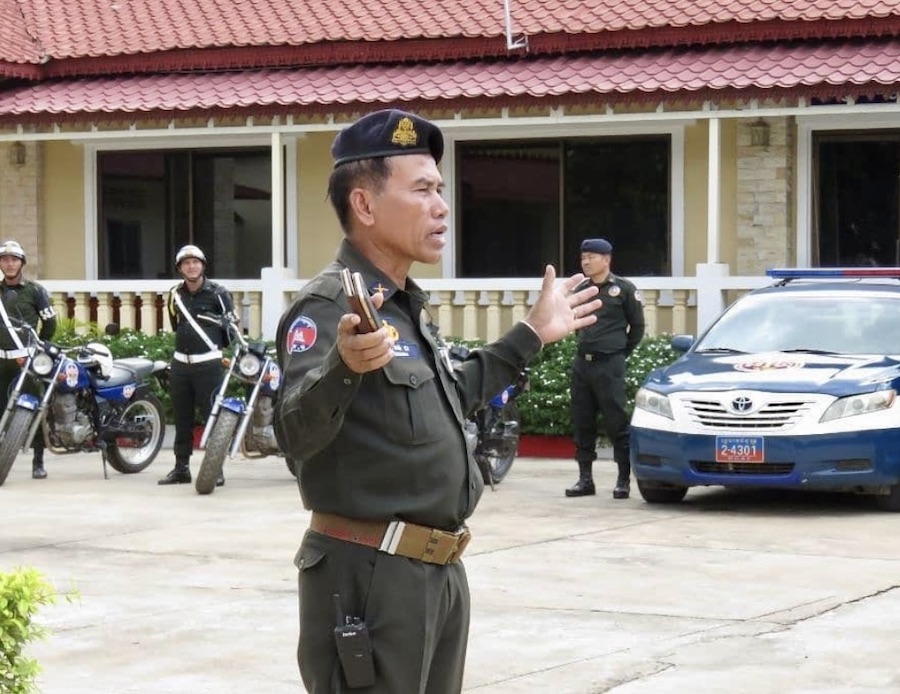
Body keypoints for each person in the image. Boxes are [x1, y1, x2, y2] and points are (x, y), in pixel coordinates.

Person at [274, 108, 602, 694]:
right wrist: (341, 367)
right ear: (366, 205)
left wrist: (530, 334)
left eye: (441, 190)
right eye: (422, 190)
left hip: (434, 571)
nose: (442, 206)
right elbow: (293, 432)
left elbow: (451, 397)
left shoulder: (402, 306)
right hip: (368, 576)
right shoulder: (330, 307)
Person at [566, 237, 645, 500]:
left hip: (610, 365)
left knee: (616, 422)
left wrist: (620, 352)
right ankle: (585, 479)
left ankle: (623, 480)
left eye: (591, 257)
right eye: (583, 257)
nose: (586, 262)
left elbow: (638, 327)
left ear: (607, 259)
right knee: (582, 420)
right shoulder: (582, 289)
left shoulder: (623, 289)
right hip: (583, 364)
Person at [158, 244, 235, 487]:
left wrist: (215, 349)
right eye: (186, 263)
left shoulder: (218, 293)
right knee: (182, 417)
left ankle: (216, 469)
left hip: (208, 364)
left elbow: (230, 329)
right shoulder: (175, 294)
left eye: (195, 262)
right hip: (181, 363)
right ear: (180, 268)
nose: (191, 266)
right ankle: (181, 468)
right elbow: (175, 323)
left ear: (203, 265)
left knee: (212, 415)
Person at [0, 240, 56, 479]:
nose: (9, 263)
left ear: (22, 262)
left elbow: (50, 322)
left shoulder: (35, 290)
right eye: (5, 259)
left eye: (14, 259)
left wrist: (39, 347)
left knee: (35, 409)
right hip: (1, 359)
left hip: (28, 361)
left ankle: (38, 461)